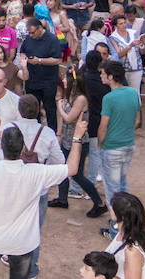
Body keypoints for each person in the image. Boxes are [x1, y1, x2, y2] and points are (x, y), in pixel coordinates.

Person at [0, 120, 87, 279]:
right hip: (24, 244)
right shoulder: (36, 172)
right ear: (22, 148)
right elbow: (72, 168)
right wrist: (76, 137)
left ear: (1, 147)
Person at [49, 66, 108, 217]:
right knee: (63, 169)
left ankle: (99, 203)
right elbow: (64, 119)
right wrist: (59, 134)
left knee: (76, 175)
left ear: (73, 82)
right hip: (68, 139)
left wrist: (59, 105)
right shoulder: (70, 95)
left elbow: (68, 118)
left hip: (79, 142)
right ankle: (62, 199)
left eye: (65, 79)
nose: (63, 80)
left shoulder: (80, 99)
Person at [98, 61, 140, 236]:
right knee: (122, 187)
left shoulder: (109, 98)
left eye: (103, 73)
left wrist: (100, 144)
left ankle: (116, 232)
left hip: (112, 148)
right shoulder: (132, 93)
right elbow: (137, 121)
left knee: (112, 192)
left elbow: (103, 126)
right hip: (128, 145)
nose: (100, 76)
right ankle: (127, 225)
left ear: (110, 77)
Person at [19, 18, 63, 131]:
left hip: (48, 81)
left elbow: (57, 60)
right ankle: (35, 133)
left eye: (33, 32)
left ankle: (52, 132)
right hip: (32, 80)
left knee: (50, 108)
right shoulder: (28, 38)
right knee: (33, 109)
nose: (31, 35)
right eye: (29, 32)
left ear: (40, 28)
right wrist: (23, 58)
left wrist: (39, 61)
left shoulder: (52, 39)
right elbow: (22, 50)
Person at [103, 192, 145, 279]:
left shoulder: (132, 252)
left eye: (113, 207)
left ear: (122, 217)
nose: (110, 207)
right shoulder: (125, 232)